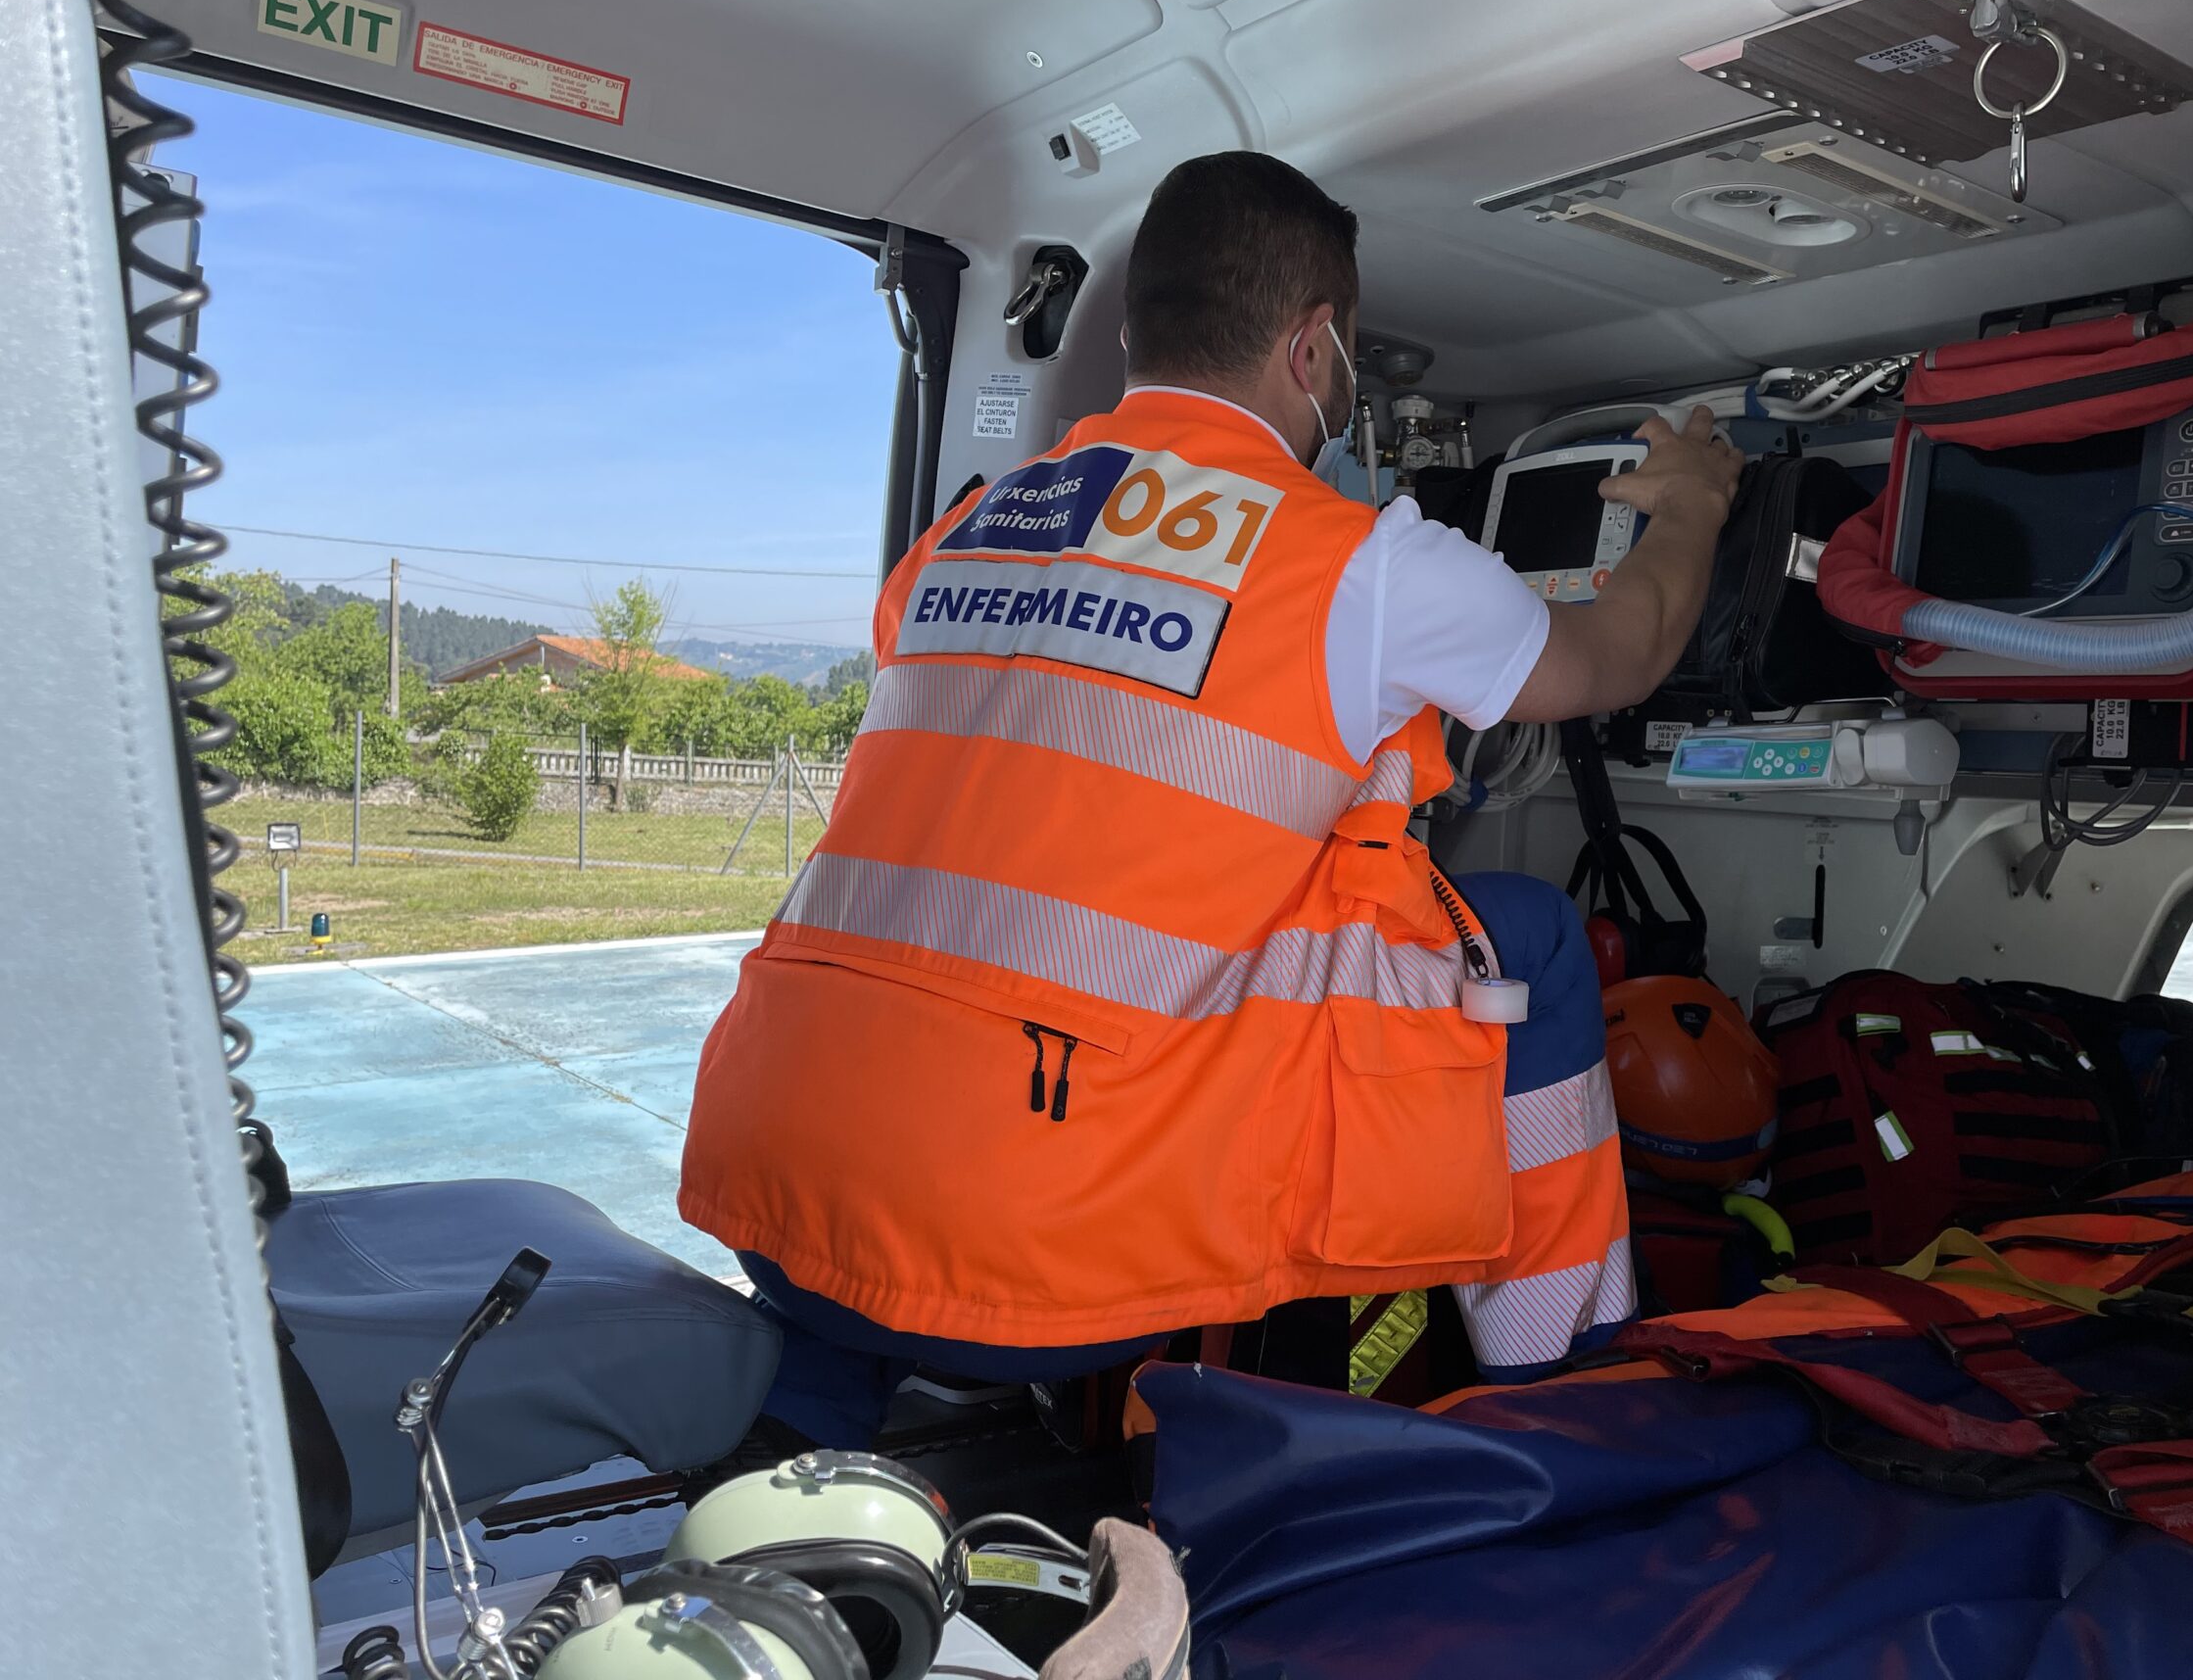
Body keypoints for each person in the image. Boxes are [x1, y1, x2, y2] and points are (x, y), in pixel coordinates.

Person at [680, 151, 1741, 1445]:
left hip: (775, 1189)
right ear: (1316, 349)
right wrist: (1691, 504)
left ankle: (815, 1460)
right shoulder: (1357, 562)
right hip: (1037, 1251)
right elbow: (1621, 654)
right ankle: (1559, 1403)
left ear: (1135, 336)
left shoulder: (966, 530)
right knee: (1522, 939)